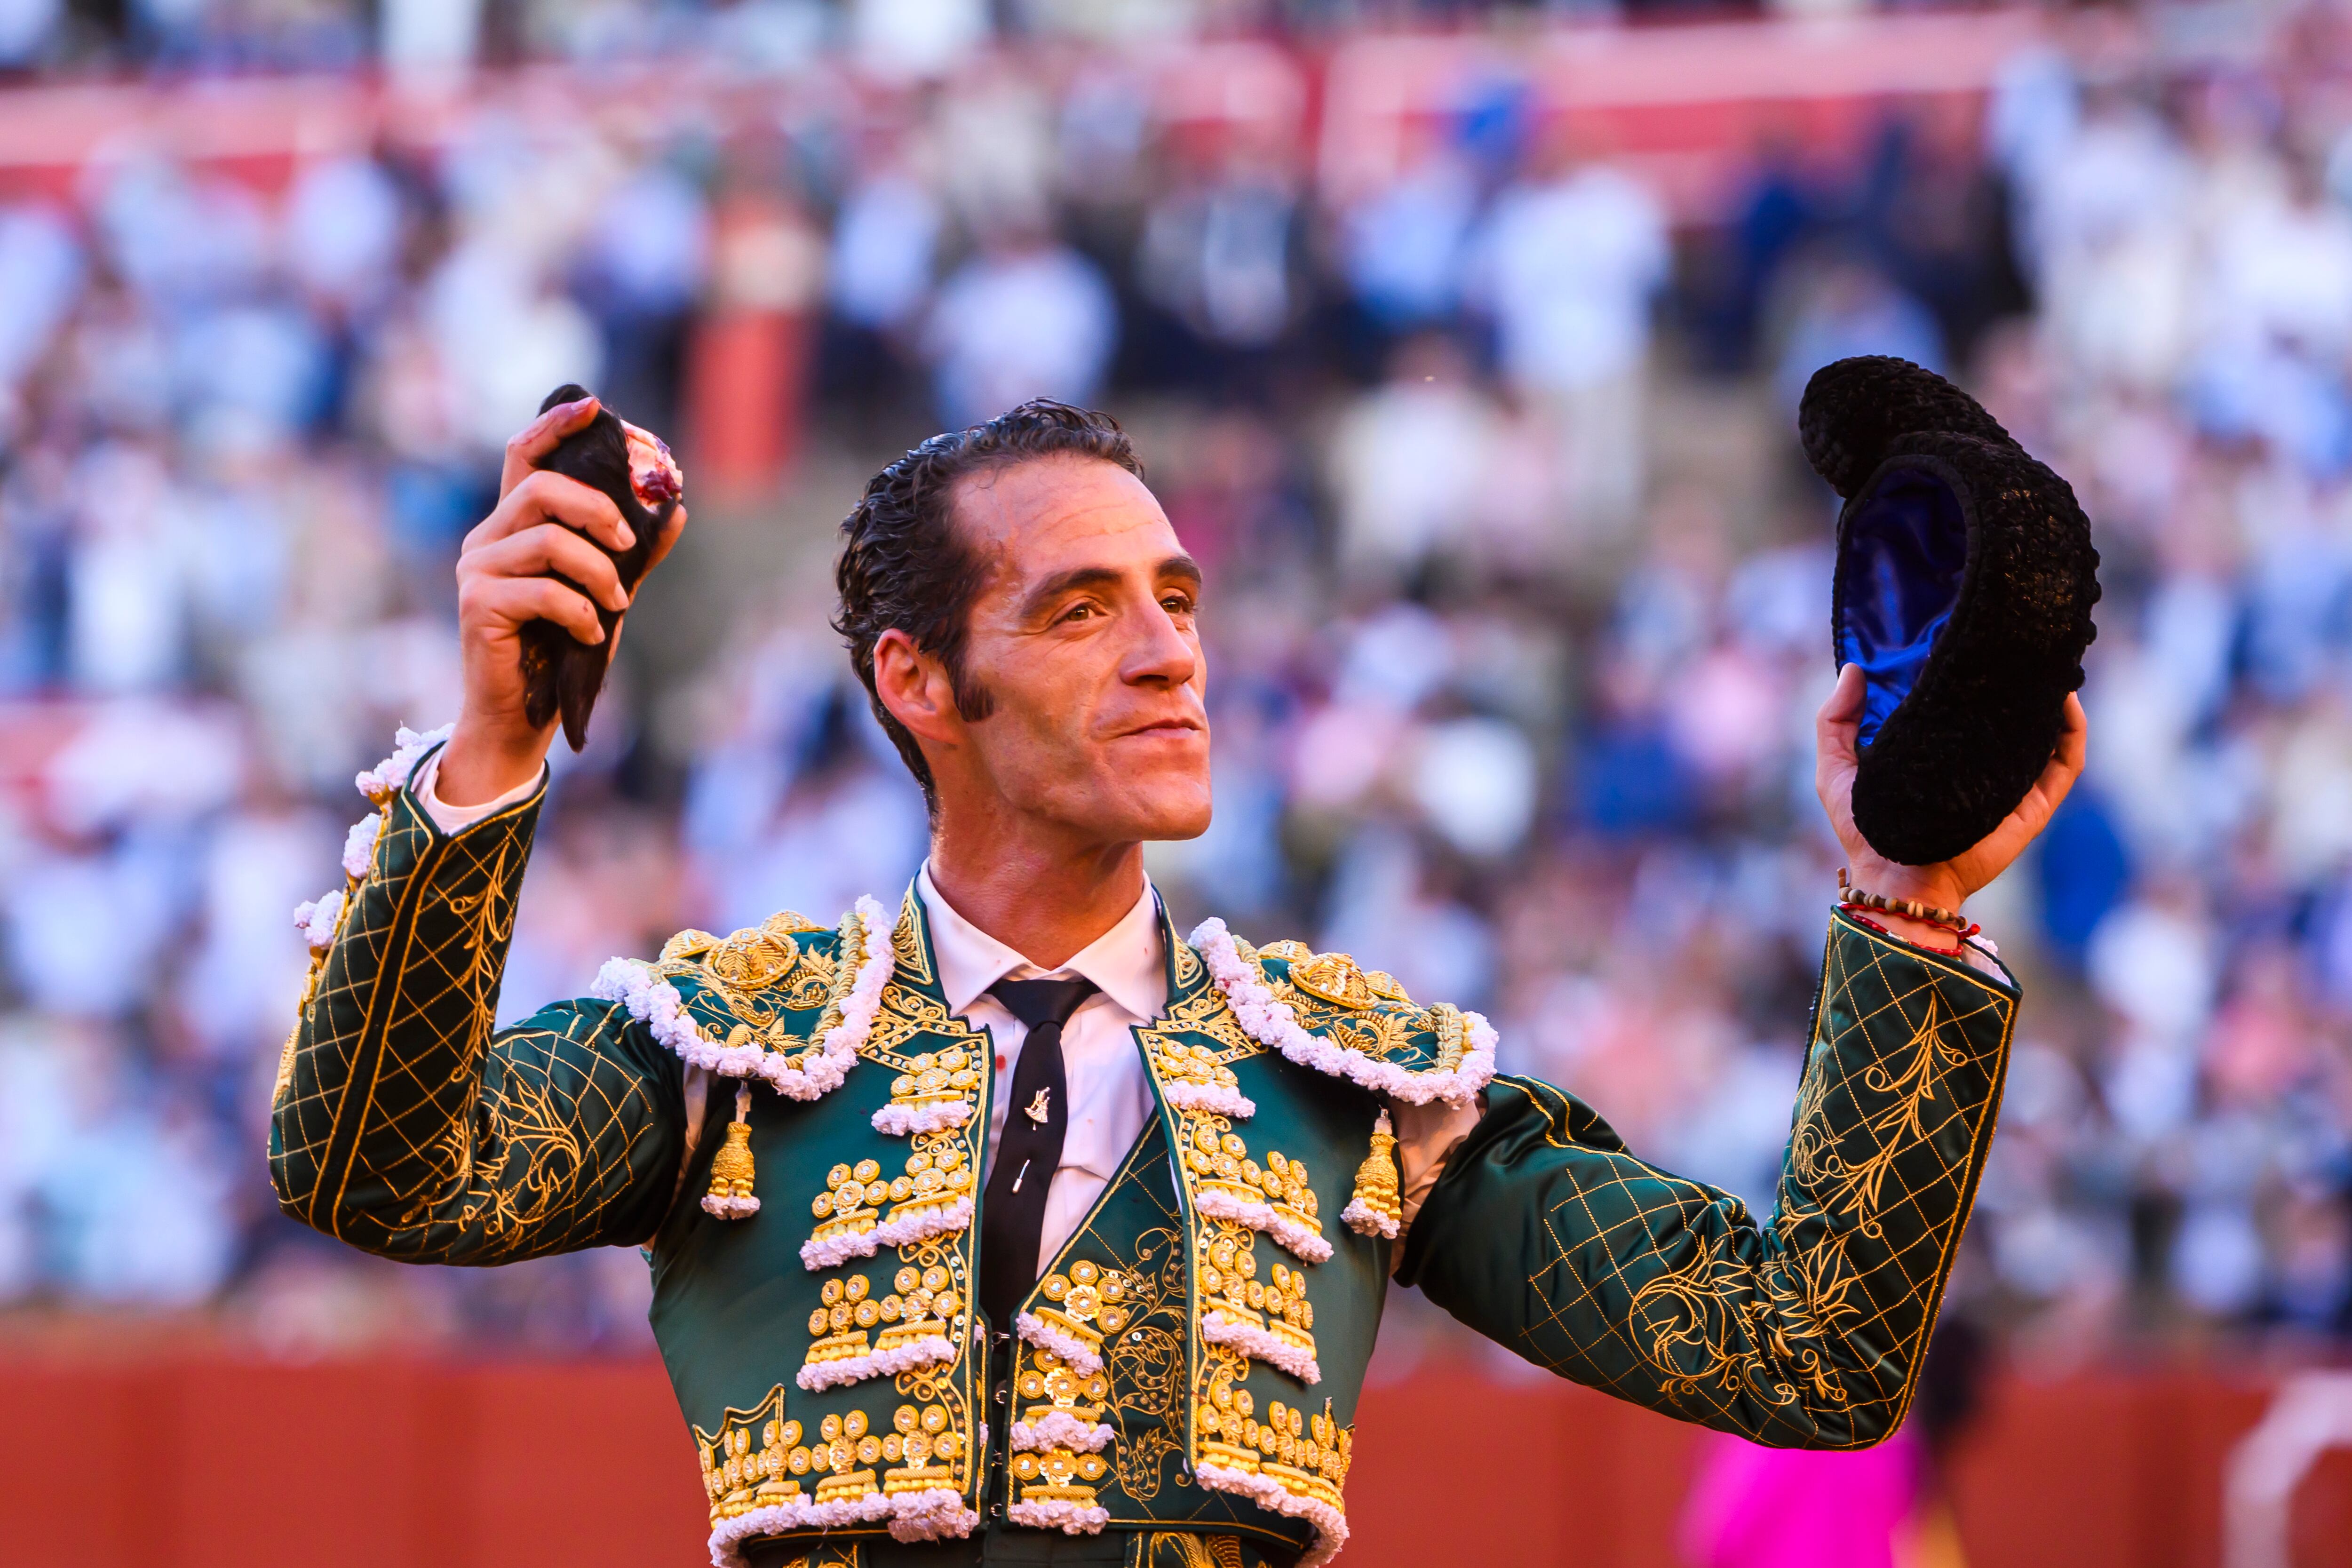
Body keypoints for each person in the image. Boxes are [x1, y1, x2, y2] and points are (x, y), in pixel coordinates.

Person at [270, 396, 2084, 1568]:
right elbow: (379, 1169)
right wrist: (496, 752)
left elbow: (1812, 1349)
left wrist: (1901, 911)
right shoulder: (731, 1052)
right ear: (919, 681)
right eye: (1080, 611)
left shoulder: (1363, 1093)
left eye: (1181, 599)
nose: (1166, 657)